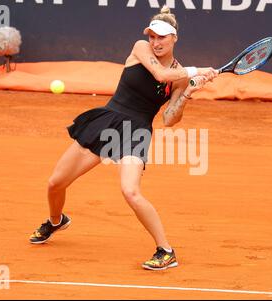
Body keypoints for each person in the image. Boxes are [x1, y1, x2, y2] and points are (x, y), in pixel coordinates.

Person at [29, 6, 218, 270]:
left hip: (136, 131)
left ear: (174, 38)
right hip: (106, 121)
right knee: (55, 184)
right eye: (152, 36)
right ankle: (56, 220)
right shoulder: (141, 49)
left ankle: (166, 250)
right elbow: (161, 74)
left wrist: (188, 93)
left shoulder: (180, 77)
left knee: (130, 190)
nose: (156, 42)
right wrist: (195, 71)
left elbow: (169, 119)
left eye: (162, 37)